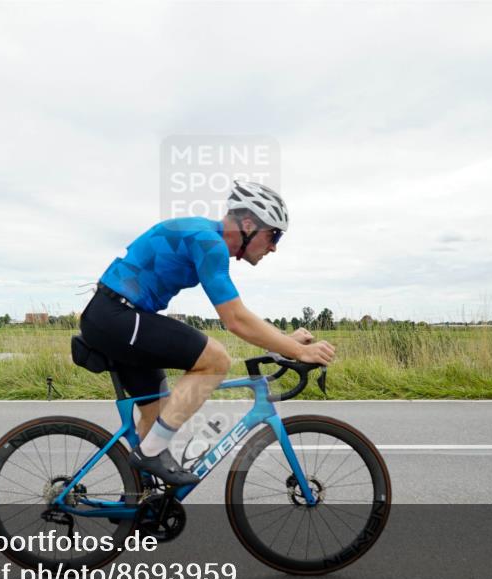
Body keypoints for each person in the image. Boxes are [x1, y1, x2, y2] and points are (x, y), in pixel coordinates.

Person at [79, 181, 335, 485]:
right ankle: (149, 456)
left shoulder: (206, 238)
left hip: (115, 317)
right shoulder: (208, 242)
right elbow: (235, 319)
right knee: (215, 359)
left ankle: (141, 500)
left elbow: (240, 313)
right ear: (249, 224)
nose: (274, 246)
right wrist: (299, 351)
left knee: (158, 412)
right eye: (273, 235)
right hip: (117, 316)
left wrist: (282, 340)